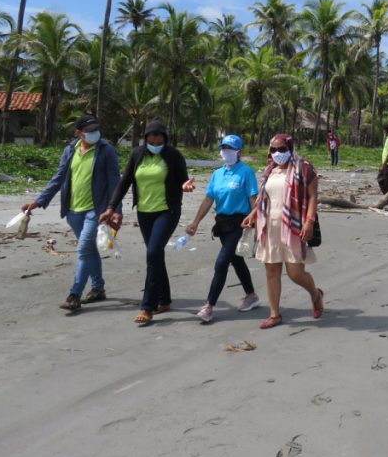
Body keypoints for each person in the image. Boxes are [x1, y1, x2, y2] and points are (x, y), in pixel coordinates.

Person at [22, 115, 120, 312]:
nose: (94, 134)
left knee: (83, 249)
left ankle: (74, 295)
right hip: (73, 210)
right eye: (89, 130)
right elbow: (58, 178)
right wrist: (39, 201)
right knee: (89, 250)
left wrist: (115, 210)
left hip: (96, 210)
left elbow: (114, 182)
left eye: (96, 130)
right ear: (79, 133)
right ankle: (98, 288)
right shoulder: (70, 150)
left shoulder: (106, 151)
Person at [102, 119, 193, 324]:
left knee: (152, 253)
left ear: (165, 138)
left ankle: (147, 306)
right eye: (151, 138)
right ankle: (164, 299)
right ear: (145, 139)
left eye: (159, 138)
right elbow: (124, 182)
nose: (155, 141)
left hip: (167, 211)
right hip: (144, 212)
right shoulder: (137, 155)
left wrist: (185, 186)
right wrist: (110, 208)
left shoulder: (173, 156)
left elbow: (183, 181)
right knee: (155, 256)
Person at [242, 134, 324, 329]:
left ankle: (315, 294)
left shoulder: (303, 168)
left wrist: (309, 222)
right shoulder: (270, 170)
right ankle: (274, 314)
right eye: (273, 150)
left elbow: (313, 197)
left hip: (294, 226)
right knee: (271, 271)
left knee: (295, 273)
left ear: (290, 148)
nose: (277, 153)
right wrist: (253, 214)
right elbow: (265, 198)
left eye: (282, 149)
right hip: (270, 226)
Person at [185, 134, 261, 324]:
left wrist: (257, 223)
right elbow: (209, 199)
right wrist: (195, 222)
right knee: (236, 260)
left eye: (230, 148)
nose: (226, 152)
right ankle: (251, 295)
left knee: (221, 263)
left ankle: (209, 306)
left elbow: (254, 199)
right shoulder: (217, 174)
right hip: (222, 224)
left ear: (238, 151)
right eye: (223, 148)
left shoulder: (246, 172)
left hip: (239, 223)